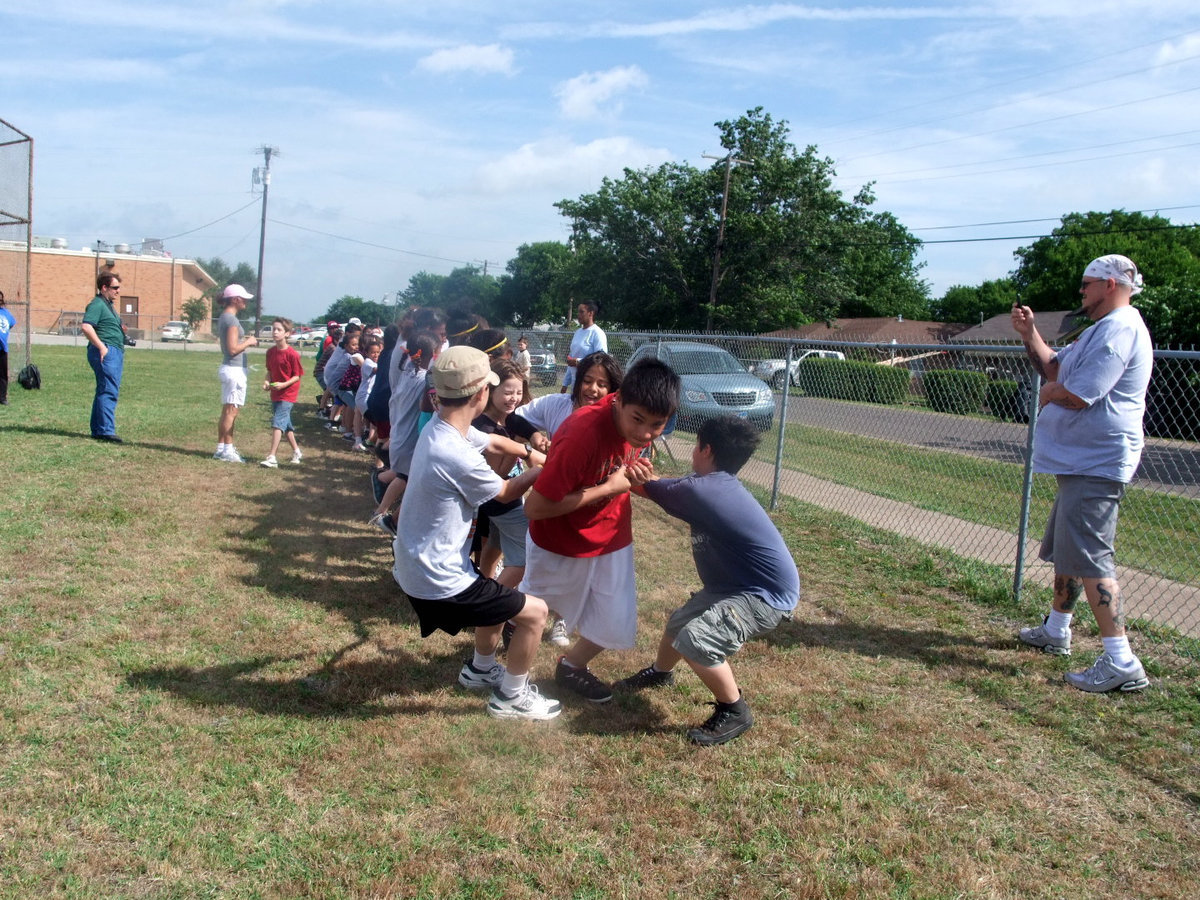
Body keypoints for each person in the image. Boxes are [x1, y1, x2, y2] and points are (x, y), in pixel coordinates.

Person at [392, 345, 559, 721]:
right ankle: (511, 698)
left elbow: (495, 442)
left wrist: (531, 455)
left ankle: (481, 669)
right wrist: (549, 469)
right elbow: (504, 491)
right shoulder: (453, 451)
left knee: (500, 596)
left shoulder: (444, 428)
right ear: (483, 393)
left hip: (421, 564)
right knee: (535, 613)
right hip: (437, 578)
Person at [1011, 254, 1153, 693]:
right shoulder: (1100, 329)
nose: (1081, 292)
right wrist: (1029, 333)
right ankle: (1056, 631)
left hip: (1098, 463)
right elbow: (1055, 366)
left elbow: (1076, 393)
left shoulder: (1121, 329)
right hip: (1079, 461)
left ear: (1111, 284)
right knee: (1071, 552)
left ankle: (1121, 661)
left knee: (1091, 558)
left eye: (1087, 284)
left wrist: (1050, 393)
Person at [615, 416, 801, 745]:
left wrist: (621, 462)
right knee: (678, 623)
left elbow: (642, 486)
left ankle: (734, 710)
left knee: (697, 640)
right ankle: (661, 674)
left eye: (696, 445)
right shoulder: (714, 484)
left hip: (763, 596)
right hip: (732, 587)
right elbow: (664, 484)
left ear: (706, 449)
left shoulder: (704, 491)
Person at [522, 357, 680, 703]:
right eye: (637, 420)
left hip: (611, 535)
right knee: (533, 613)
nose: (644, 433)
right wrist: (609, 488)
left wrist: (636, 474)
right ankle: (499, 674)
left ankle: (572, 667)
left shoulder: (640, 425)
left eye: (657, 425)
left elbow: (623, 468)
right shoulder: (582, 433)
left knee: (615, 619)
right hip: (560, 541)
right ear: (619, 399)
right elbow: (535, 507)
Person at [80, 272, 126, 442]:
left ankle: (98, 430)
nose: (118, 291)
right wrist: (102, 348)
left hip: (113, 350)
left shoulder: (108, 305)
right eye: (115, 287)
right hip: (106, 351)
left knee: (104, 389)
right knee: (108, 389)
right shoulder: (97, 304)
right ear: (104, 287)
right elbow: (86, 327)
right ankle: (106, 430)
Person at [215, 284, 258, 462]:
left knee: (227, 411)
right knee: (231, 412)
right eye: (244, 298)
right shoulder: (231, 320)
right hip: (234, 370)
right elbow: (232, 349)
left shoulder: (224, 318)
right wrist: (249, 342)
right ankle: (228, 450)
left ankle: (221, 448)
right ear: (235, 299)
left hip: (229, 369)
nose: (246, 301)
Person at [260, 318, 304, 468]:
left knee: (278, 422)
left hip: (288, 394)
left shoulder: (292, 354)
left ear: (287, 333)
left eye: (279, 330)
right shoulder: (270, 352)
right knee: (286, 424)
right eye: (274, 329)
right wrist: (267, 382)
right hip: (276, 392)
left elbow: (297, 376)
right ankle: (297, 451)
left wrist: (283, 384)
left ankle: (272, 457)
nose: (275, 332)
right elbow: (269, 371)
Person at [560, 300, 606, 393]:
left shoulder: (597, 333)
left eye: (582, 312)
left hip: (589, 384)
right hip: (575, 384)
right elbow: (571, 360)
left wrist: (578, 361)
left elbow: (601, 358)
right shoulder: (578, 332)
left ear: (590, 313)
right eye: (578, 312)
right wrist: (565, 384)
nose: (578, 315)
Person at [0, 290, 13, 406]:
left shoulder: (6, 313)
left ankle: (2, 397)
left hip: (3, 349)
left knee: (3, 374)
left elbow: (11, 324)